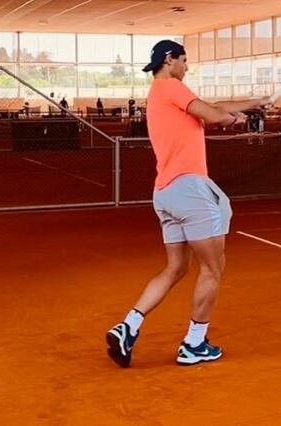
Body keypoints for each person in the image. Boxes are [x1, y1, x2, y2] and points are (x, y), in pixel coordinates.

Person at [106, 40, 266, 369]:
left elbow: (212, 105)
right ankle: (194, 344)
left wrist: (254, 102)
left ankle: (128, 327)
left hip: (165, 192)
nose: (187, 67)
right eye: (184, 61)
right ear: (169, 59)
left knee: (175, 268)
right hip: (189, 189)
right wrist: (230, 119)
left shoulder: (162, 94)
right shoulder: (170, 86)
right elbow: (213, 113)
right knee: (212, 268)